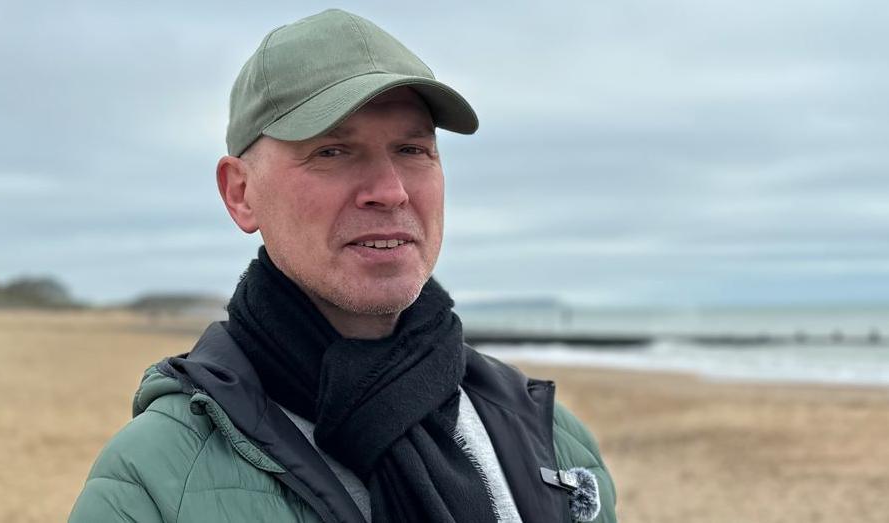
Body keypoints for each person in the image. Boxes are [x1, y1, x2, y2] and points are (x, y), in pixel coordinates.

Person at [69, 9, 616, 523]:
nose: (390, 191)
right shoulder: (155, 477)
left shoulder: (554, 442)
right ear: (240, 193)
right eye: (332, 151)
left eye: (412, 149)